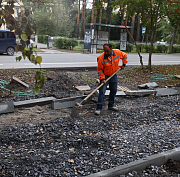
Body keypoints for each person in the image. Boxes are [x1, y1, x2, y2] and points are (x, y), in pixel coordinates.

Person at [95, 43, 128, 115]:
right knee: (102, 92)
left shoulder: (117, 52)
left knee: (114, 90)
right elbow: (100, 70)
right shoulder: (101, 58)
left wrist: (124, 64)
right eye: (105, 51)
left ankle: (111, 105)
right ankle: (99, 108)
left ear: (111, 49)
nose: (106, 53)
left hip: (113, 75)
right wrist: (102, 79)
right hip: (105, 76)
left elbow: (125, 55)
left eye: (107, 51)